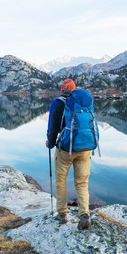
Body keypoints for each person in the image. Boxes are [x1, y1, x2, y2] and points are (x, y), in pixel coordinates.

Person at [46, 78, 94, 230]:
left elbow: (53, 128)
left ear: (62, 90)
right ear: (75, 89)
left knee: (61, 181)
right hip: (85, 147)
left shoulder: (58, 103)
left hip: (66, 149)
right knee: (82, 182)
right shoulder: (84, 101)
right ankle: (84, 215)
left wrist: (50, 142)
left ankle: (62, 214)